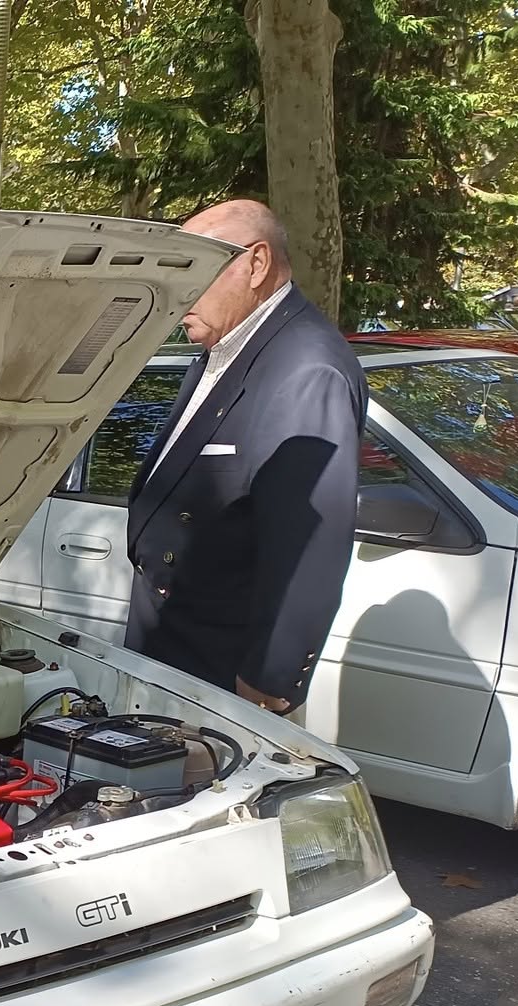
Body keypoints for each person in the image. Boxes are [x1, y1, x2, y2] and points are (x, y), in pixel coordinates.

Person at [121, 200, 363, 716]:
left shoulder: (305, 370)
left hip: (222, 680)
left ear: (256, 264)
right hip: (173, 648)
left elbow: (309, 544)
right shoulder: (226, 349)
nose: (179, 292)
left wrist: (267, 681)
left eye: (197, 271)